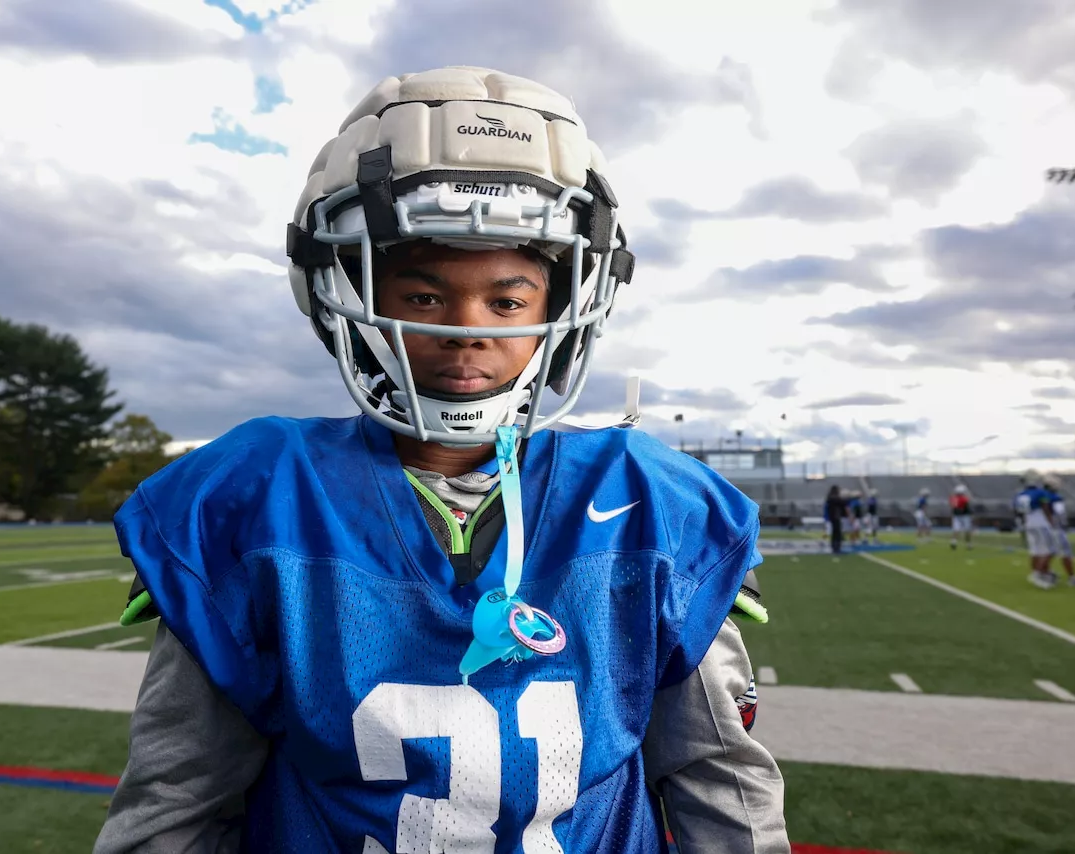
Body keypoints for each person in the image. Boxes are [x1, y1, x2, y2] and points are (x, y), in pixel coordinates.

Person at [94, 66, 789, 853]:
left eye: (507, 300)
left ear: (564, 304)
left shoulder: (647, 501)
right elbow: (176, 800)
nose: (468, 331)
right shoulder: (257, 498)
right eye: (423, 297)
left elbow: (721, 784)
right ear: (346, 296)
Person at [1043, 474, 1075, 588]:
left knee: (1049, 552)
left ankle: (1044, 573)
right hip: (1056, 528)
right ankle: (1072, 578)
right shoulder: (1055, 498)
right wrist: (1063, 525)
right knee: (1065, 553)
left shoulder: (1043, 496)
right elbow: (1059, 514)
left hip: (1045, 529)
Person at [1016, 471, 1057, 589]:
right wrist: (1051, 523)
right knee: (1049, 550)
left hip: (1028, 523)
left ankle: (1039, 573)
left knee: (1035, 551)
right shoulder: (1041, 493)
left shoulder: (1021, 494)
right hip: (1041, 523)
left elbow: (1019, 512)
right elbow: (1046, 508)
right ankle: (1038, 574)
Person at [949, 484, 973, 550]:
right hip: (964, 515)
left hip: (956, 515)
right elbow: (967, 502)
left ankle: (953, 542)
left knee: (956, 530)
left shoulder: (953, 498)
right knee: (967, 530)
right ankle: (969, 544)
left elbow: (952, 505)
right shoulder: (963, 498)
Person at [824, 485, 845, 554]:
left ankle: (835, 546)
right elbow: (842, 503)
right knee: (837, 533)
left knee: (835, 533)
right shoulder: (834, 499)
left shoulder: (830, 498)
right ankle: (836, 547)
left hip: (833, 517)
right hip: (835, 517)